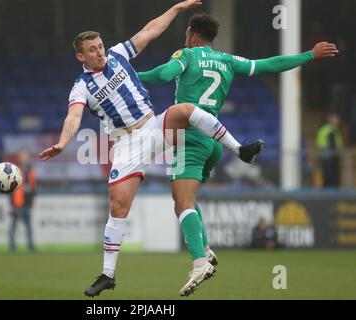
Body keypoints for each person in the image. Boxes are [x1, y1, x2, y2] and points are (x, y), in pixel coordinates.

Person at [38, 0, 263, 298]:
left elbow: (150, 30)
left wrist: (175, 10)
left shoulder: (119, 54)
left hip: (152, 127)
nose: (100, 51)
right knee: (118, 205)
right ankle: (108, 274)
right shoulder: (81, 86)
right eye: (92, 50)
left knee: (185, 109)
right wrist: (63, 143)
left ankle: (240, 150)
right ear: (80, 55)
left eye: (101, 46)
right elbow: (74, 116)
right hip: (127, 144)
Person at [137, 13, 338, 296]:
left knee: (182, 204)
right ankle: (205, 248)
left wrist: (135, 77)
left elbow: (165, 74)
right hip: (215, 140)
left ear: (192, 34)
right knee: (187, 199)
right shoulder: (228, 60)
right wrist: (309, 55)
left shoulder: (187, 54)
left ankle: (199, 262)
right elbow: (271, 64)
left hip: (191, 138)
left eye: (186, 33)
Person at [9, 148, 37, 253]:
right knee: (14, 225)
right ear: (19, 157)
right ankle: (12, 246)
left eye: (25, 156)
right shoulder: (14, 169)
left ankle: (31, 246)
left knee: (29, 226)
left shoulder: (30, 169)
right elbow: (10, 188)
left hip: (27, 201)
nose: (24, 158)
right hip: (17, 202)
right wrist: (11, 203)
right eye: (22, 156)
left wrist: (34, 198)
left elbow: (34, 185)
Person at [316, 113, 343, 187]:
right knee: (331, 177)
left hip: (326, 155)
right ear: (330, 119)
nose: (337, 121)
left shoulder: (327, 129)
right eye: (335, 118)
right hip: (330, 156)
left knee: (327, 177)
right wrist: (337, 154)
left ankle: (327, 195)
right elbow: (333, 144)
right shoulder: (330, 130)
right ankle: (331, 196)